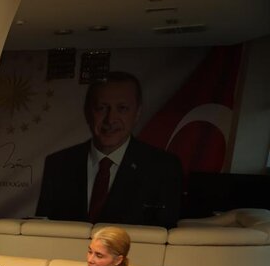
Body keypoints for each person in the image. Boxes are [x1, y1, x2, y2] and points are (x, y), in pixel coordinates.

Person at [35, 71, 183, 228]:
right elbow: (41, 231)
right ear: (87, 112)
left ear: (138, 112)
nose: (110, 119)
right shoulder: (58, 164)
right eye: (101, 108)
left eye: (122, 108)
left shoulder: (163, 167)